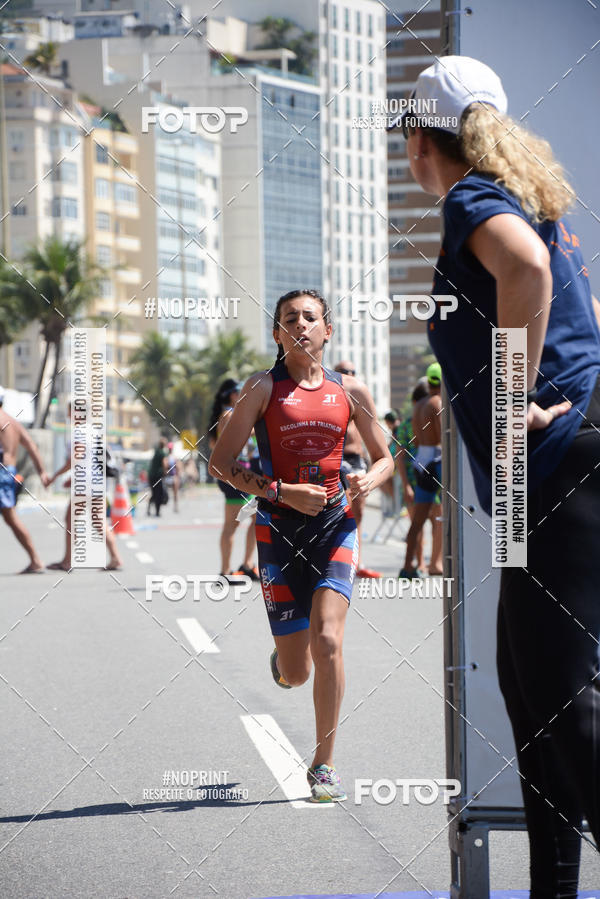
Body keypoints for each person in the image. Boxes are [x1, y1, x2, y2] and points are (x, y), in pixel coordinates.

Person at [394, 55, 600, 891]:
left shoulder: (472, 199)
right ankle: (552, 884)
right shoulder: (526, 196)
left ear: (419, 144)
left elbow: (528, 271)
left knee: (561, 694)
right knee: (528, 690)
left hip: (553, 468)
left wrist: (513, 399)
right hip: (545, 471)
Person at [209, 289, 394, 802]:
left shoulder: (350, 391)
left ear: (327, 331)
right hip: (277, 533)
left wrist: (367, 483)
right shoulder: (262, 389)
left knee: (329, 640)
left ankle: (324, 762)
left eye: (310, 318)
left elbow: (386, 459)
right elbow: (220, 465)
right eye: (290, 319)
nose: (301, 325)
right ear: (277, 334)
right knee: (296, 669)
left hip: (335, 527)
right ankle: (286, 663)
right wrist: (280, 491)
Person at [47, 403, 123, 571]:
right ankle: (116, 557)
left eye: (69, 411)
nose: (68, 415)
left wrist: (55, 476)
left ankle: (67, 561)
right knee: (98, 521)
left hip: (85, 484)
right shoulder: (94, 432)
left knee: (70, 519)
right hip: (97, 482)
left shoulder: (79, 431)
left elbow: (77, 457)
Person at [208, 379, 260, 581]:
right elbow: (243, 436)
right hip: (235, 474)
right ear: (233, 395)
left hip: (243, 474)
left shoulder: (232, 413)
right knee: (232, 524)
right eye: (241, 391)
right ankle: (225, 571)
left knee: (256, 519)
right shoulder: (230, 414)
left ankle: (247, 564)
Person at [335, 360, 382, 578]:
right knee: (342, 513)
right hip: (339, 461)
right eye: (345, 372)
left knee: (359, 514)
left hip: (357, 460)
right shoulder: (331, 398)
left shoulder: (357, 397)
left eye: (353, 372)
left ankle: (357, 561)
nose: (350, 375)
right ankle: (339, 562)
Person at [398, 362, 443, 577]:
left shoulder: (418, 406)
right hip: (438, 460)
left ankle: (408, 566)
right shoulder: (437, 403)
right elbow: (445, 437)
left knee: (417, 520)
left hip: (421, 462)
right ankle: (438, 563)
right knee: (443, 517)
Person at [0, 386, 49, 573]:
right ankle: (35, 560)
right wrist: (42, 471)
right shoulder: (13, 422)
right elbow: (31, 446)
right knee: (11, 517)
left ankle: (36, 560)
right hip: (9, 472)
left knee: (10, 517)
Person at [395, 378, 435, 572]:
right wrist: (406, 486)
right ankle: (415, 563)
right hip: (416, 479)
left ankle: (431, 563)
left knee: (436, 522)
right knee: (417, 523)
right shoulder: (406, 426)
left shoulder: (431, 418)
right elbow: (399, 458)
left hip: (430, 476)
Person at [147, 437, 169, 517]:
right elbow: (164, 463)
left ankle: (148, 509)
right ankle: (157, 511)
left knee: (154, 493)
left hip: (151, 476)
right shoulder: (163, 453)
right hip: (158, 476)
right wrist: (166, 471)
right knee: (159, 494)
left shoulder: (156, 452)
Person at [165, 442, 182, 512]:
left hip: (173, 476)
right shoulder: (166, 458)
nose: (170, 449)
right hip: (168, 476)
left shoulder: (174, 457)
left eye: (171, 448)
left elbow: (178, 468)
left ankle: (175, 506)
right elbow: (165, 468)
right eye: (169, 448)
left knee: (175, 492)